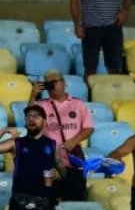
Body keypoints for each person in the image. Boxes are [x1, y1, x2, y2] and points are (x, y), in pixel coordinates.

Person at [27, 69, 92, 201]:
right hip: (50, 161)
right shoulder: (42, 105)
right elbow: (30, 121)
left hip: (73, 160)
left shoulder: (78, 104)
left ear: (63, 83)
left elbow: (89, 128)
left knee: (75, 198)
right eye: (48, 84)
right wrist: (33, 96)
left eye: (54, 82)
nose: (51, 86)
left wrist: (74, 141)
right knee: (51, 200)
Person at [0, 108, 63, 210]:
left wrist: (58, 174)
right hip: (19, 204)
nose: (31, 119)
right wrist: (4, 130)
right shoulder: (16, 143)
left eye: (36, 116)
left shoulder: (52, 145)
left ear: (45, 121)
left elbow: (63, 173)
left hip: (44, 206)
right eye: (28, 116)